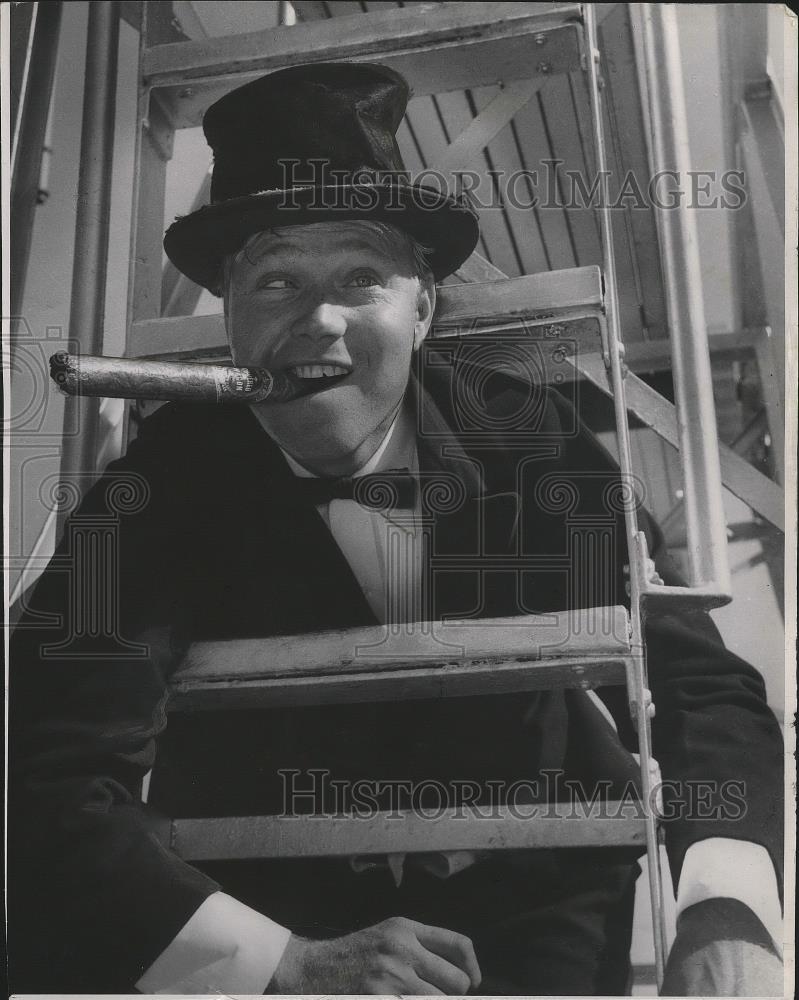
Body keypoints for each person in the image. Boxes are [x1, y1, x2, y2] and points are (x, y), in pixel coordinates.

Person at [8, 63, 784, 996]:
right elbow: (41, 761)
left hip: (535, 882)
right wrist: (278, 964)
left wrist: (724, 905)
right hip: (274, 902)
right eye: (276, 280)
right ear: (230, 315)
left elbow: (694, 681)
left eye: (360, 277)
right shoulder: (148, 491)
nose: (319, 320)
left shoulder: (533, 441)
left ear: (423, 307)